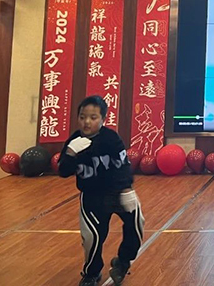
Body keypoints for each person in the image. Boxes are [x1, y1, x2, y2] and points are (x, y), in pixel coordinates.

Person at [59, 96, 144, 286]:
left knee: (137, 223)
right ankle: (91, 273)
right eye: (83, 117)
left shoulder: (111, 138)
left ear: (103, 119)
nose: (87, 122)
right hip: (92, 196)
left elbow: (123, 165)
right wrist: (70, 153)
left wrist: (127, 189)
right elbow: (63, 171)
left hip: (118, 192)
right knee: (92, 237)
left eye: (93, 117)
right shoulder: (74, 141)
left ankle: (123, 261)